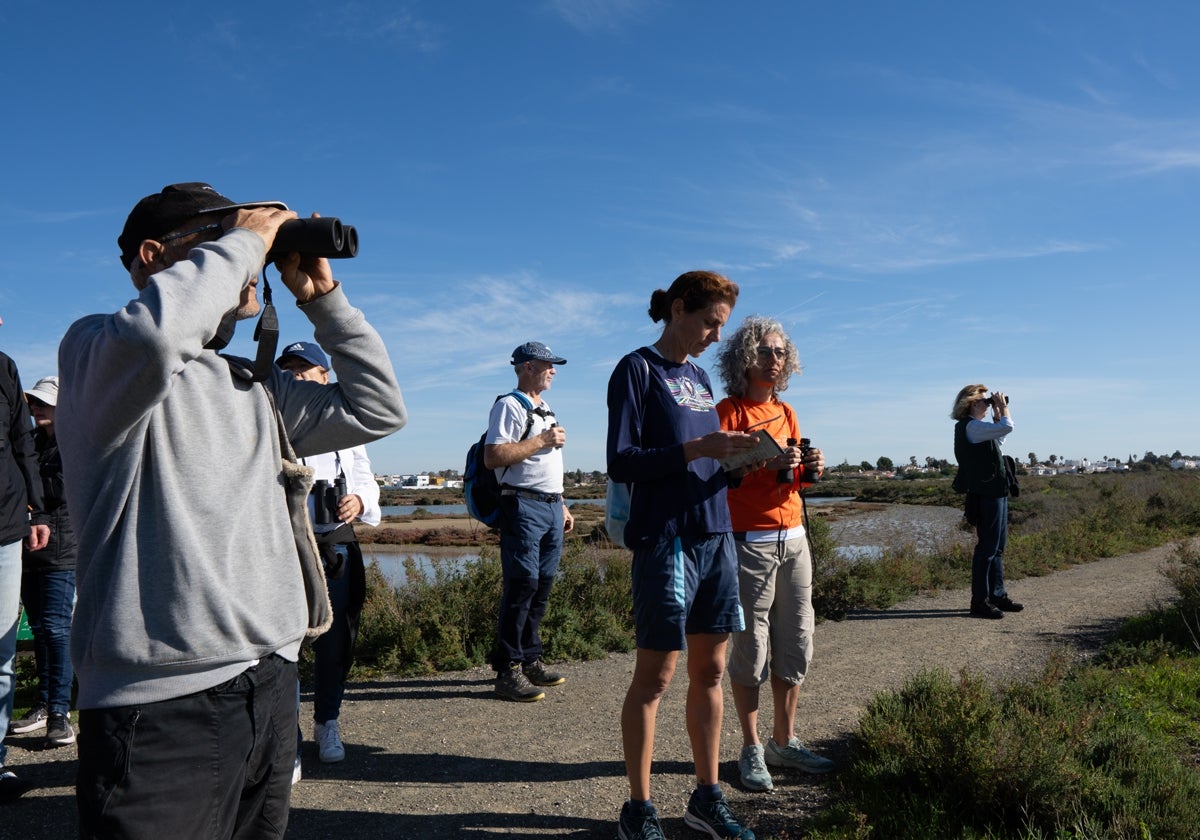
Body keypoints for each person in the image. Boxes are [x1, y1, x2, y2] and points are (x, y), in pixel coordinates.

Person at [56, 182, 406, 838]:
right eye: (219, 238)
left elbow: (379, 407)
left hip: (270, 686)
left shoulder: (254, 382)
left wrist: (324, 304)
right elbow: (156, 342)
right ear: (155, 257)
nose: (249, 258)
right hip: (158, 712)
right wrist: (246, 238)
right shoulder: (94, 354)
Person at [607, 271, 760, 840]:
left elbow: (701, 463)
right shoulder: (636, 369)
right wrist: (700, 446)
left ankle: (706, 797)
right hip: (666, 539)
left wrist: (740, 463)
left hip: (715, 534)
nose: (716, 338)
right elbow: (622, 461)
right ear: (678, 310)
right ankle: (638, 809)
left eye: (721, 326)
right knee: (657, 675)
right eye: (709, 323)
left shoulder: (697, 377)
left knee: (712, 669)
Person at [713, 316, 834, 794]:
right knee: (752, 646)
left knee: (797, 639)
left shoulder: (787, 412)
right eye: (764, 351)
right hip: (749, 543)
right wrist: (761, 461)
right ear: (744, 357)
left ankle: (785, 741)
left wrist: (810, 470)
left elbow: (792, 480)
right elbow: (721, 476)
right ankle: (751, 747)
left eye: (781, 352)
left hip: (795, 538)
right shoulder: (727, 412)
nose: (774, 359)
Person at [276, 341, 379, 767]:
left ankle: (328, 721)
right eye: (290, 370)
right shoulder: (272, 423)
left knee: (337, 639)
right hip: (285, 541)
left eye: (306, 370)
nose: (297, 377)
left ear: (326, 378)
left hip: (337, 539)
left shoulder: (343, 426)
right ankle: (287, 738)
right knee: (286, 645)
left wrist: (357, 499)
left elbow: (368, 482)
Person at [483, 341, 574, 702]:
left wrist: (563, 505)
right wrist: (542, 439)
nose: (553, 370)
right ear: (525, 367)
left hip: (551, 508)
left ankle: (531, 660)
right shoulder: (509, 404)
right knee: (522, 587)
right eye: (546, 364)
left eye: (553, 364)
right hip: (522, 506)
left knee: (541, 588)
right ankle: (507, 671)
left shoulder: (545, 406)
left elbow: (545, 465)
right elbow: (494, 456)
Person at [8, 376, 78, 750]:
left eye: (44, 403)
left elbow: (59, 493)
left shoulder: (75, 443)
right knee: (38, 626)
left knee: (55, 628)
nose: (36, 409)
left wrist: (31, 488)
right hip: (27, 547)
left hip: (63, 548)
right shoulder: (30, 443)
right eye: (33, 403)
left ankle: (59, 713)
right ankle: (44, 705)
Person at [0, 338, 49, 804]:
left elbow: (22, 442)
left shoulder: (5, 367)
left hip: (7, 524)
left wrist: (38, 511)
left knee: (2, 652)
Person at [950, 384, 1023, 619]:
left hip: (996, 491)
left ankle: (997, 595)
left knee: (998, 547)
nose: (987, 403)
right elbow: (1008, 428)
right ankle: (979, 602)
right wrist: (1003, 406)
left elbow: (998, 439)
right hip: (986, 493)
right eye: (984, 400)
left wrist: (997, 414)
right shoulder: (969, 427)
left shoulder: (978, 428)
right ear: (971, 404)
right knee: (987, 549)